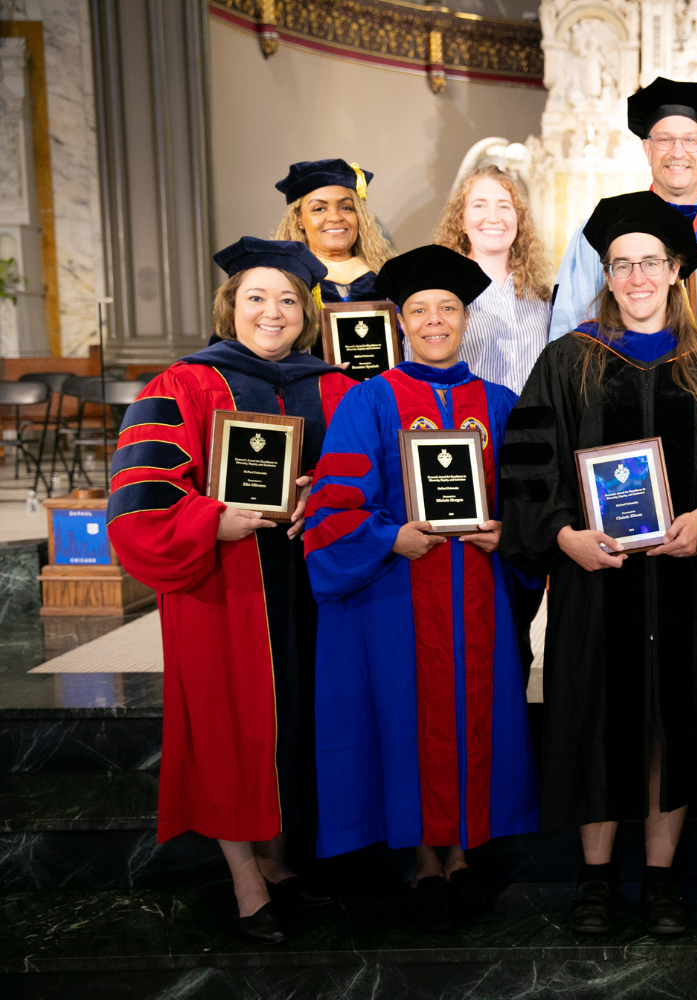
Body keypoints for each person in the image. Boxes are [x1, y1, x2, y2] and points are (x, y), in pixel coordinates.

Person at [499, 192, 697, 937]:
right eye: (622, 264)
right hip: (596, 582)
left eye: (651, 262)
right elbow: (527, 469)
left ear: (677, 270)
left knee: (672, 725)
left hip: (686, 581)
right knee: (597, 721)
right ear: (605, 274)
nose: (637, 275)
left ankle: (664, 879)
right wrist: (559, 534)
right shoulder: (567, 360)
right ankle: (597, 879)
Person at [106, 238, 357, 943]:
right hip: (223, 589)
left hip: (313, 589)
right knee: (229, 726)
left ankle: (280, 864)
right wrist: (213, 518)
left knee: (298, 721)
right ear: (230, 307)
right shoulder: (181, 385)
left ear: (305, 314)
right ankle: (247, 884)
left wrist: (324, 493)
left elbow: (363, 482)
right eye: (255, 298)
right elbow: (140, 501)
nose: (270, 313)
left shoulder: (336, 386)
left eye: (286, 300)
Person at [302, 244, 541, 932]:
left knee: (473, 712)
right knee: (409, 718)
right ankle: (423, 862)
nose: (435, 321)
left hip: (478, 593)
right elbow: (333, 503)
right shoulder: (369, 400)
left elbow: (531, 502)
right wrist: (387, 538)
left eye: (448, 309)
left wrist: (510, 533)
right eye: (420, 310)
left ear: (465, 318)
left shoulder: (500, 403)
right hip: (399, 595)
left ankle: (463, 854)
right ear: (400, 321)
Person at [547, 78, 697, 391]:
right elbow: (568, 329)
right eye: (665, 140)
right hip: (621, 397)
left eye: (691, 140)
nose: (678, 152)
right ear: (647, 148)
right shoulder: (601, 234)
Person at [429, 164, 552, 395]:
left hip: (534, 427)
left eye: (504, 207)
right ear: (461, 221)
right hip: (473, 424)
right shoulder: (440, 294)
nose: (493, 217)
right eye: (479, 206)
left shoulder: (540, 295)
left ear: (519, 219)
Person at [274, 158, 395, 308]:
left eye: (346, 208)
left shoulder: (389, 278)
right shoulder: (286, 280)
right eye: (319, 209)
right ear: (298, 219)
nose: (335, 217)